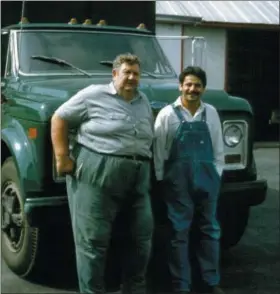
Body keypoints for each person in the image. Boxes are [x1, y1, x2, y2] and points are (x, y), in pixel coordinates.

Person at [51, 53, 154, 294]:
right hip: (97, 172)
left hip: (138, 177)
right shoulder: (93, 94)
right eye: (127, 72)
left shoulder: (143, 100)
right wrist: (62, 157)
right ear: (115, 74)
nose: (131, 78)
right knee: (92, 243)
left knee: (141, 240)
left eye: (136, 73)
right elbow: (60, 118)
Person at [153, 66, 225, 294]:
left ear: (203, 88)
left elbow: (218, 149)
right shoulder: (167, 114)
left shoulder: (211, 112)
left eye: (197, 85)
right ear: (181, 86)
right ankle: (181, 285)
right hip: (177, 183)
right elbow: (159, 152)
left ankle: (211, 281)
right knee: (178, 232)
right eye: (189, 84)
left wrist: (216, 176)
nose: (193, 89)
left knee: (210, 230)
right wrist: (162, 180)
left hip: (207, 180)